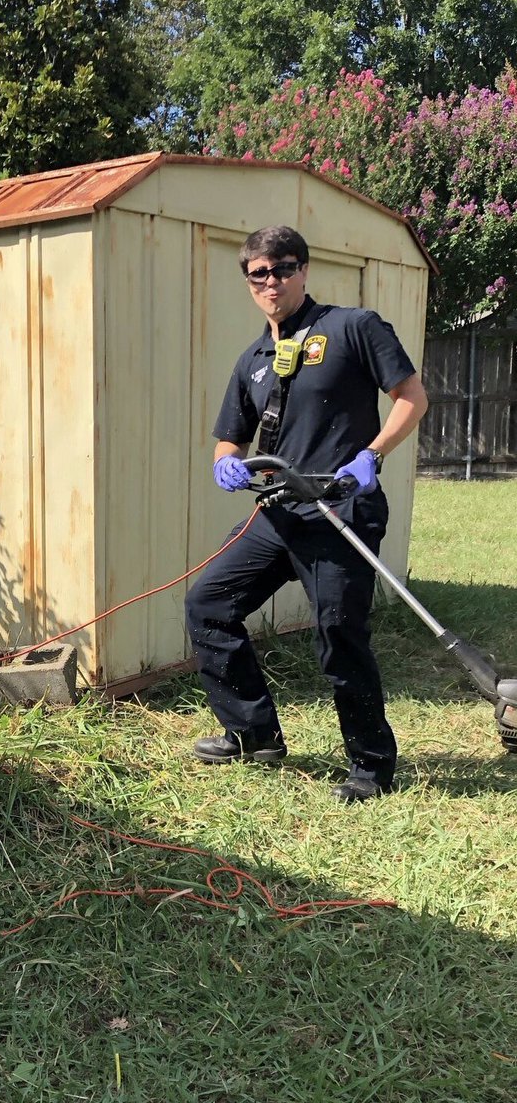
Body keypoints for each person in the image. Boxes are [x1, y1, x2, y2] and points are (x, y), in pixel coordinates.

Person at [184, 226, 428, 803]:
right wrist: (227, 463)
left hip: (341, 509)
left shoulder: (354, 328)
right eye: (260, 273)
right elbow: (229, 439)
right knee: (209, 604)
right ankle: (252, 735)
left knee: (339, 634)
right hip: (279, 513)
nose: (273, 281)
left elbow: (411, 397)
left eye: (284, 268)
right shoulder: (254, 359)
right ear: (248, 281)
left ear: (305, 270)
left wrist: (371, 455)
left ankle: (371, 767)